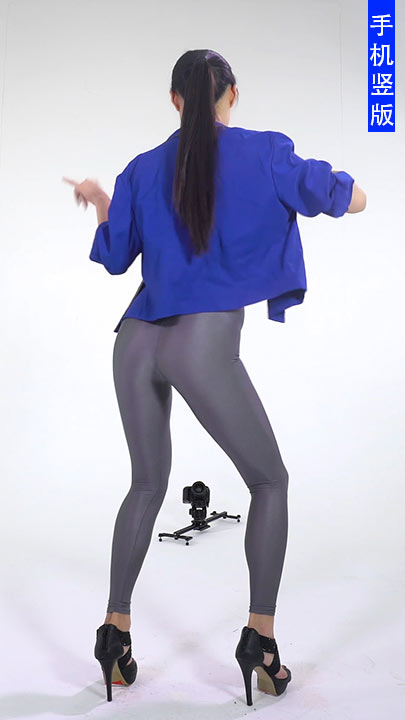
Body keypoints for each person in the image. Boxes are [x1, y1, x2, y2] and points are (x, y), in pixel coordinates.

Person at [63, 49, 366, 705]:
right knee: (270, 482)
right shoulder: (263, 150)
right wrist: (353, 193)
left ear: (175, 100)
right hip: (198, 345)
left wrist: (101, 200)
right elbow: (337, 195)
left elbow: (115, 256)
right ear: (233, 93)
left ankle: (114, 633)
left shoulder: (142, 168)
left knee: (146, 484)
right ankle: (261, 640)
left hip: (134, 340)